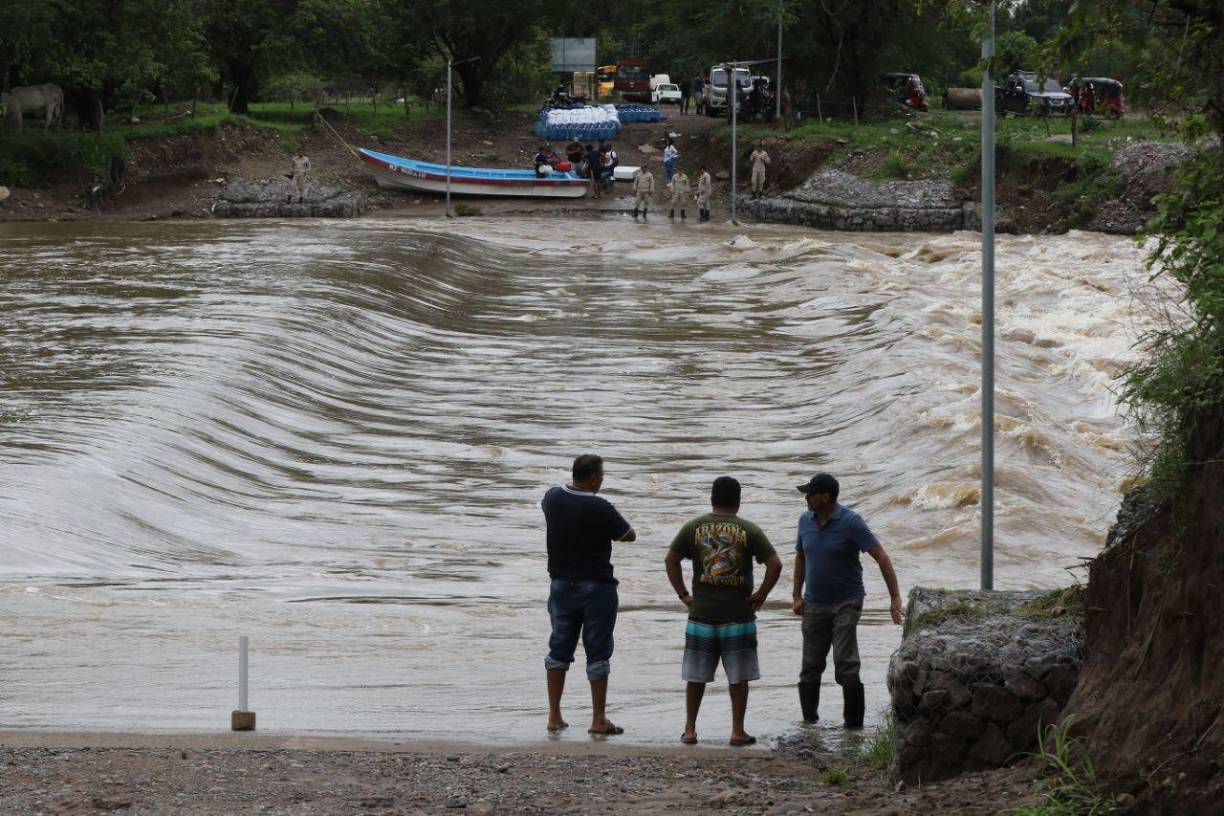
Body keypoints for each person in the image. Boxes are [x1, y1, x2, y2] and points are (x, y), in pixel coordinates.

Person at [665, 477, 782, 746]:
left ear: (711, 499)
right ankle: (737, 731)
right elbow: (775, 564)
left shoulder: (693, 527)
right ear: (738, 501)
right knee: (738, 678)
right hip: (738, 616)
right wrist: (761, 595)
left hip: (700, 613)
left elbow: (670, 559)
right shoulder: (749, 530)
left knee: (695, 677)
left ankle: (690, 729)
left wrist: (683, 594)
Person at [792, 473, 903, 729]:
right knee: (810, 665)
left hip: (847, 602)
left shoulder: (851, 522)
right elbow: (800, 557)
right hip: (814, 603)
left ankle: (853, 730)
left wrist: (895, 597)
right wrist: (796, 595)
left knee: (846, 664)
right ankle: (809, 724)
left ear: (825, 497)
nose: (806, 497)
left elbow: (881, 557)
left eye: (810, 493)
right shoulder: (804, 521)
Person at [542, 454, 637, 736]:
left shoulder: (552, 497)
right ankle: (598, 719)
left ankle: (554, 716)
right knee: (597, 652)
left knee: (559, 649)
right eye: (602, 475)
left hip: (560, 584)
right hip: (596, 587)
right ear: (595, 477)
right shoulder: (600, 506)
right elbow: (629, 535)